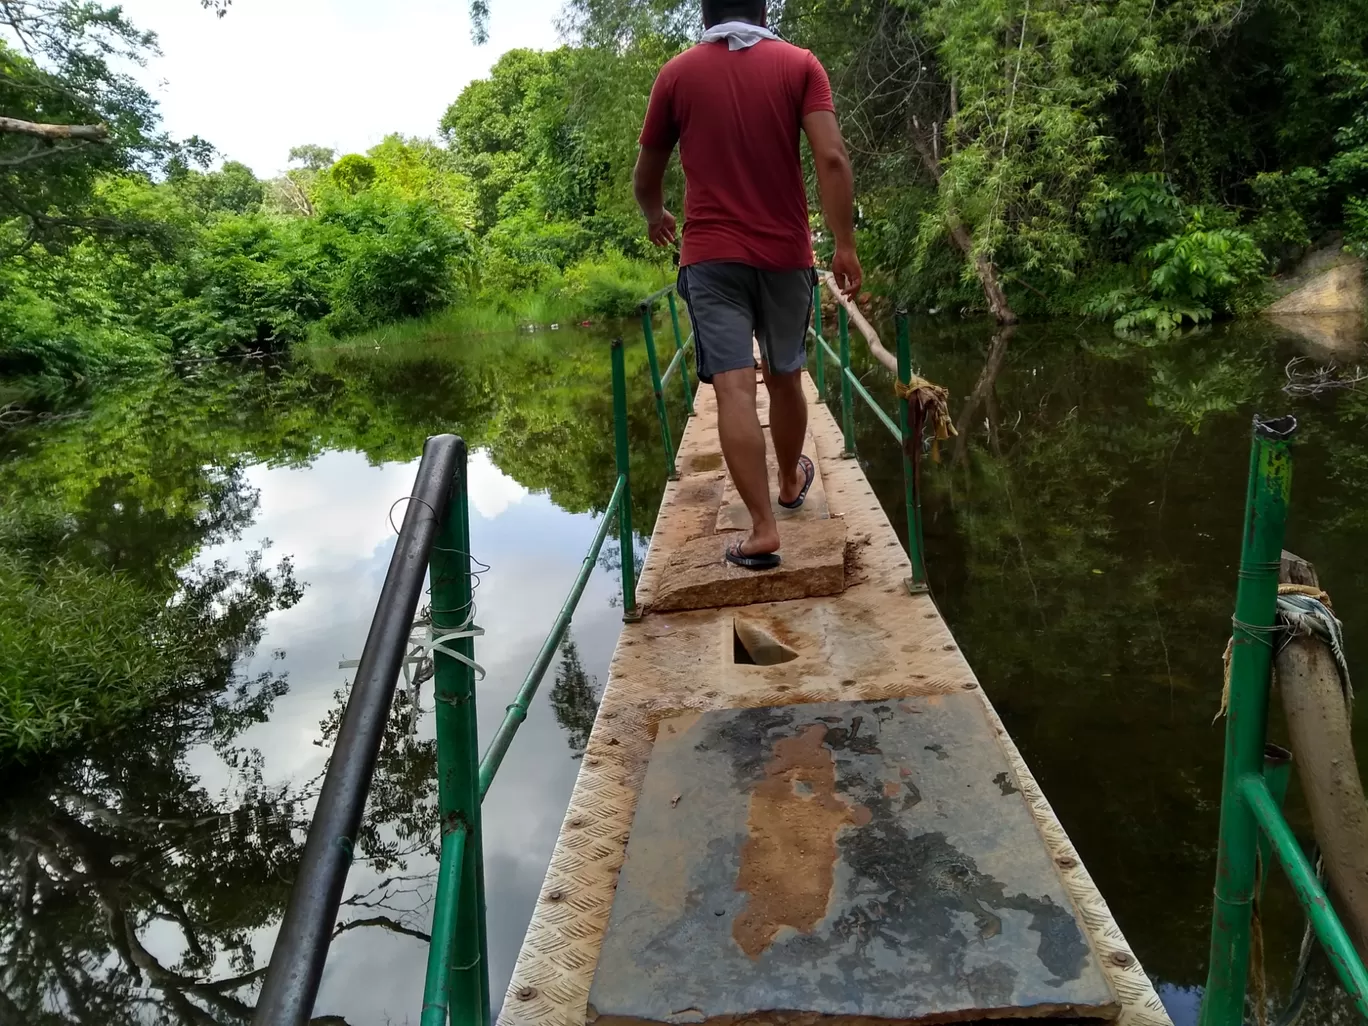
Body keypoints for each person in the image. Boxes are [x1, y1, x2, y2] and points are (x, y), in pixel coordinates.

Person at [633, 0, 861, 571]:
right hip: (785, 256)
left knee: (733, 390)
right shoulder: (800, 65)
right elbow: (831, 158)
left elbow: (646, 178)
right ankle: (789, 481)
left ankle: (762, 531)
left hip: (710, 259)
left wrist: (656, 214)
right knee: (786, 375)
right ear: (762, 7)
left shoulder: (676, 75)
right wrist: (845, 244)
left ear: (705, 13)